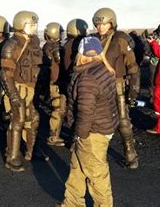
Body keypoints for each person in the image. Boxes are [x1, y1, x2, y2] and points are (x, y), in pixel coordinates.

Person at [61, 37, 118, 207]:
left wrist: (81, 135)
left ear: (80, 54)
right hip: (102, 126)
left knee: (96, 175)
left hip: (92, 132)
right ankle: (72, 203)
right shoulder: (104, 69)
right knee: (77, 169)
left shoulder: (87, 78)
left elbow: (85, 112)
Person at [92, 7, 139, 169]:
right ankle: (98, 153)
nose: (100, 27)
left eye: (103, 24)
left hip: (116, 84)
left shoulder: (120, 40)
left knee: (123, 120)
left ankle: (130, 153)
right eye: (97, 24)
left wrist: (133, 91)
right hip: (97, 85)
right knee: (97, 120)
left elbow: (132, 67)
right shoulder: (93, 40)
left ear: (112, 23)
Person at [0, 10, 42, 172]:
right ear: (20, 25)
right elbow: (5, 73)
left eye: (35, 24)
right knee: (18, 120)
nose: (34, 27)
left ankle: (31, 151)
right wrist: (13, 95)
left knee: (34, 118)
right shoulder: (12, 45)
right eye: (31, 25)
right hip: (16, 87)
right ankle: (12, 157)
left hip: (29, 88)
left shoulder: (34, 42)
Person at [42, 22, 67, 147]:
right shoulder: (55, 47)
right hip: (56, 82)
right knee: (58, 109)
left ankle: (56, 133)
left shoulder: (47, 46)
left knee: (58, 108)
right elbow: (61, 64)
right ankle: (53, 136)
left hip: (51, 81)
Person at [147, 24, 160, 104]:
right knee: (152, 79)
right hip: (154, 61)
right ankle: (152, 96)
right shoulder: (152, 37)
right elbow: (146, 48)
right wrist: (152, 54)